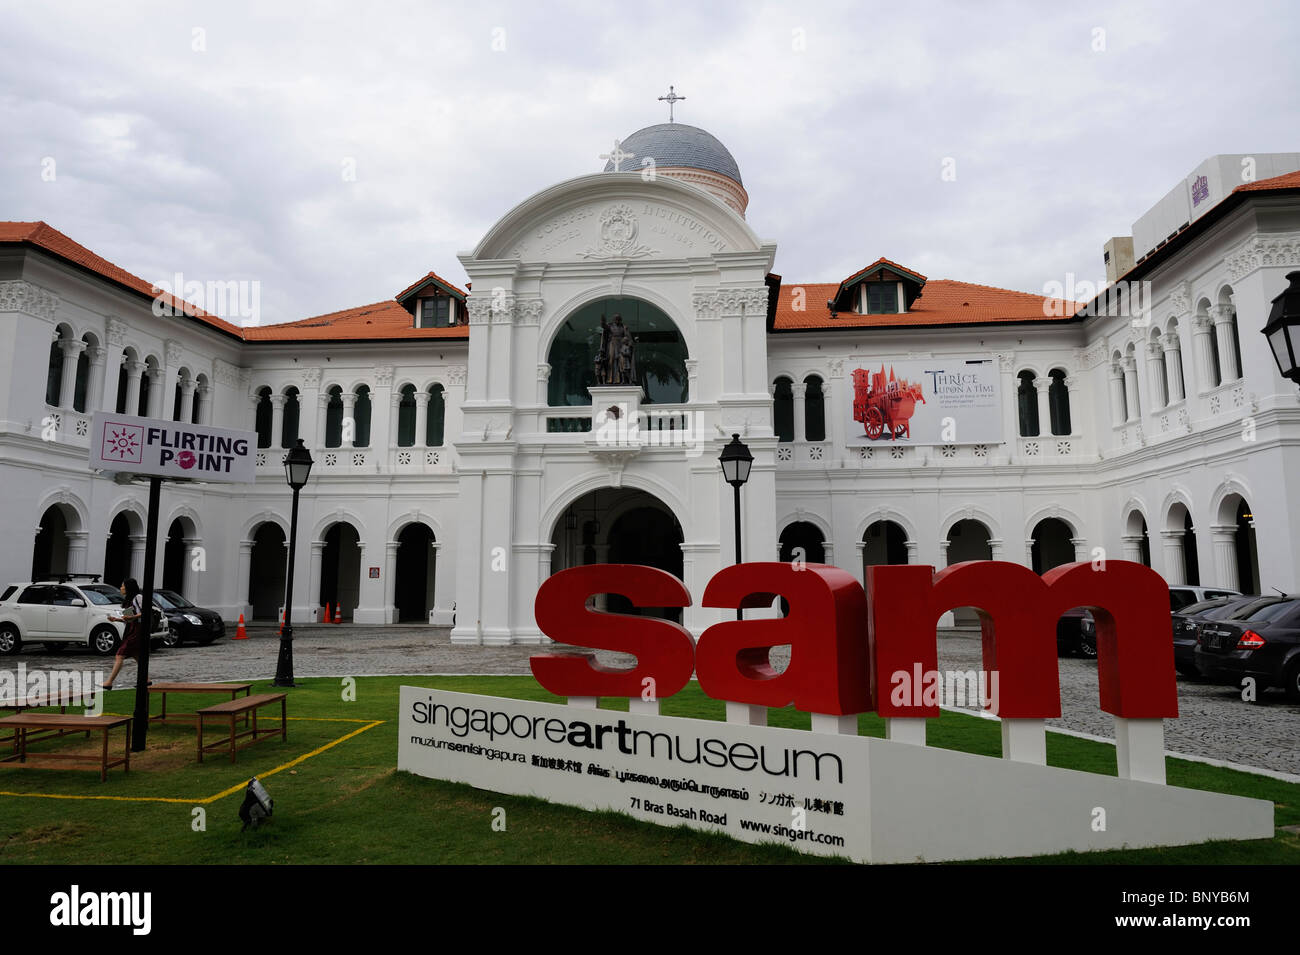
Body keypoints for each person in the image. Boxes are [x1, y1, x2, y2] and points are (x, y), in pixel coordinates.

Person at [101, 578, 145, 690]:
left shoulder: (138, 597)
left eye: (122, 586)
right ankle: (146, 679)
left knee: (119, 655)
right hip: (132, 629)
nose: (120, 588)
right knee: (136, 656)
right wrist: (116, 619)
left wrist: (131, 617)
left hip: (137, 631)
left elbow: (144, 613)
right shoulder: (129, 600)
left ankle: (109, 682)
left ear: (128, 587)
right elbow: (129, 620)